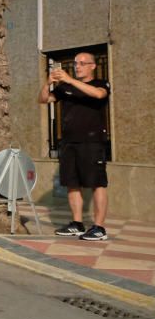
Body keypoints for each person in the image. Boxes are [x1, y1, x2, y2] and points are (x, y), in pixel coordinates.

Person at [40, 53, 111, 241]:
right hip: (69, 143)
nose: (77, 66)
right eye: (75, 64)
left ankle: (99, 228)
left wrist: (70, 79)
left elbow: (98, 95)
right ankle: (77, 224)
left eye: (81, 63)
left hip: (92, 142)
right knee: (72, 183)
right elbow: (43, 100)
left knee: (97, 183)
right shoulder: (65, 88)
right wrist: (48, 83)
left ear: (92, 66)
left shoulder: (101, 84)